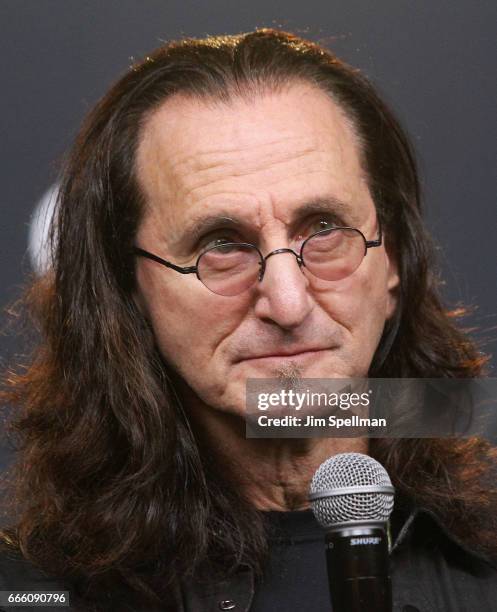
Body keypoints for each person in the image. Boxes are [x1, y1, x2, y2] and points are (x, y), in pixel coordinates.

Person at [0, 28, 496, 612]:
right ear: (127, 291)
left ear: (394, 260)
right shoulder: (29, 593)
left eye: (325, 229)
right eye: (221, 245)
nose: (287, 304)